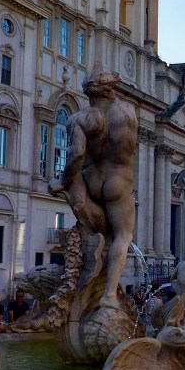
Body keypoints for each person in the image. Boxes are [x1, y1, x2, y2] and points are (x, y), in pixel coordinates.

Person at [48, 70, 138, 311]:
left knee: (96, 230)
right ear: (111, 90)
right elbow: (131, 148)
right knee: (122, 236)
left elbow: (77, 154)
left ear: (88, 93)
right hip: (117, 181)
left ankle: (88, 272)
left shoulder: (80, 118)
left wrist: (64, 181)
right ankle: (108, 294)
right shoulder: (128, 113)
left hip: (90, 180)